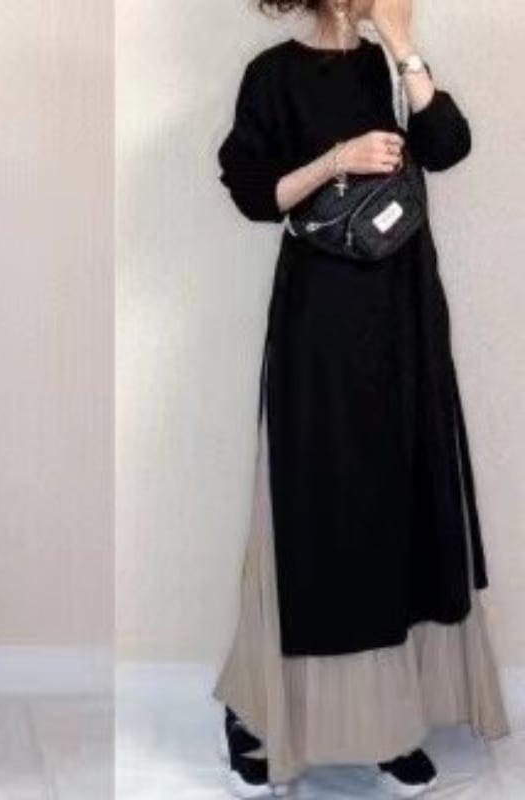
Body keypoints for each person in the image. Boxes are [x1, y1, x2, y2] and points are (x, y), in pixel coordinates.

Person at [213, 0, 510, 797]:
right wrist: (336, 159)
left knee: (400, 507)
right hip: (320, 320)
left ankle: (389, 722)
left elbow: (449, 146)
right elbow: (253, 193)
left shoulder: (392, 66)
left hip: (405, 316)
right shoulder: (273, 74)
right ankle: (259, 713)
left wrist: (404, 43)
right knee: (317, 511)